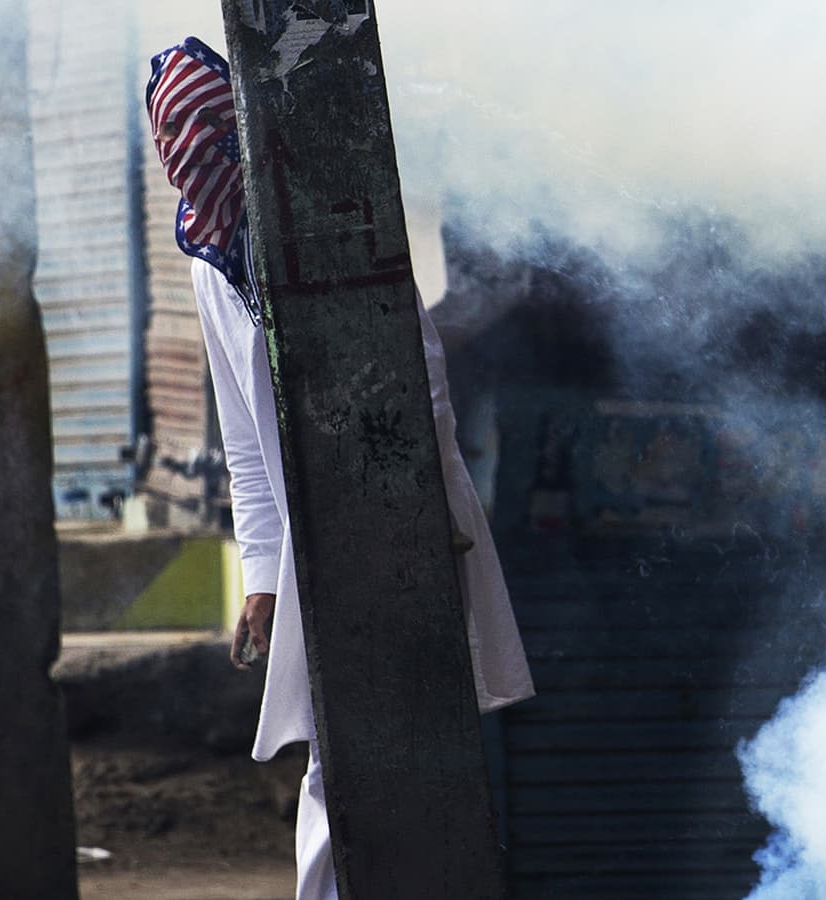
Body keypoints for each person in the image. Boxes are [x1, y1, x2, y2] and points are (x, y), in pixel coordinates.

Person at [145, 37, 535, 899]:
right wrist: (259, 579)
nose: (191, 165)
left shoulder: (324, 213)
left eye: (206, 144)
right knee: (345, 753)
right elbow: (244, 438)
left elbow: (418, 371)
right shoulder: (211, 260)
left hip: (394, 513)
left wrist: (424, 507)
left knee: (399, 742)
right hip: (306, 542)